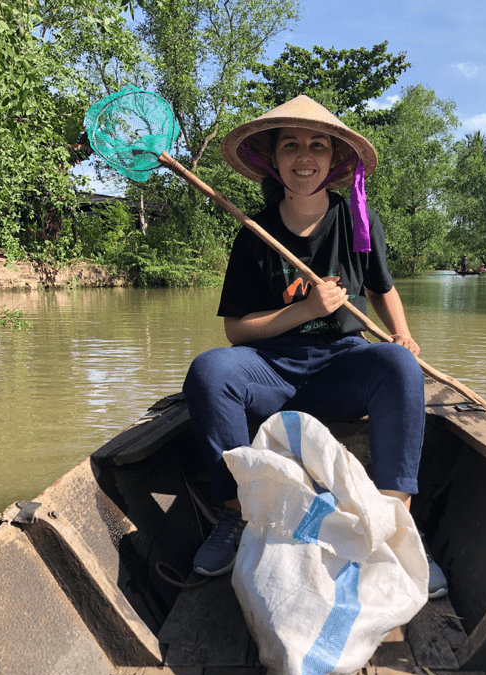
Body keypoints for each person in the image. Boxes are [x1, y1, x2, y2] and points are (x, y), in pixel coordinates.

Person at [183, 95, 447, 598]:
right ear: (274, 159)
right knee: (209, 372)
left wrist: (404, 335)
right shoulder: (253, 234)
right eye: (292, 146)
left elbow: (380, 288)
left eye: (317, 145)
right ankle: (237, 516)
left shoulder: (356, 221)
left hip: (341, 368)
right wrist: (304, 311)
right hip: (270, 372)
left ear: (333, 159)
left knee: (397, 364)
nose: (304, 156)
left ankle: (395, 529)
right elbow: (237, 331)